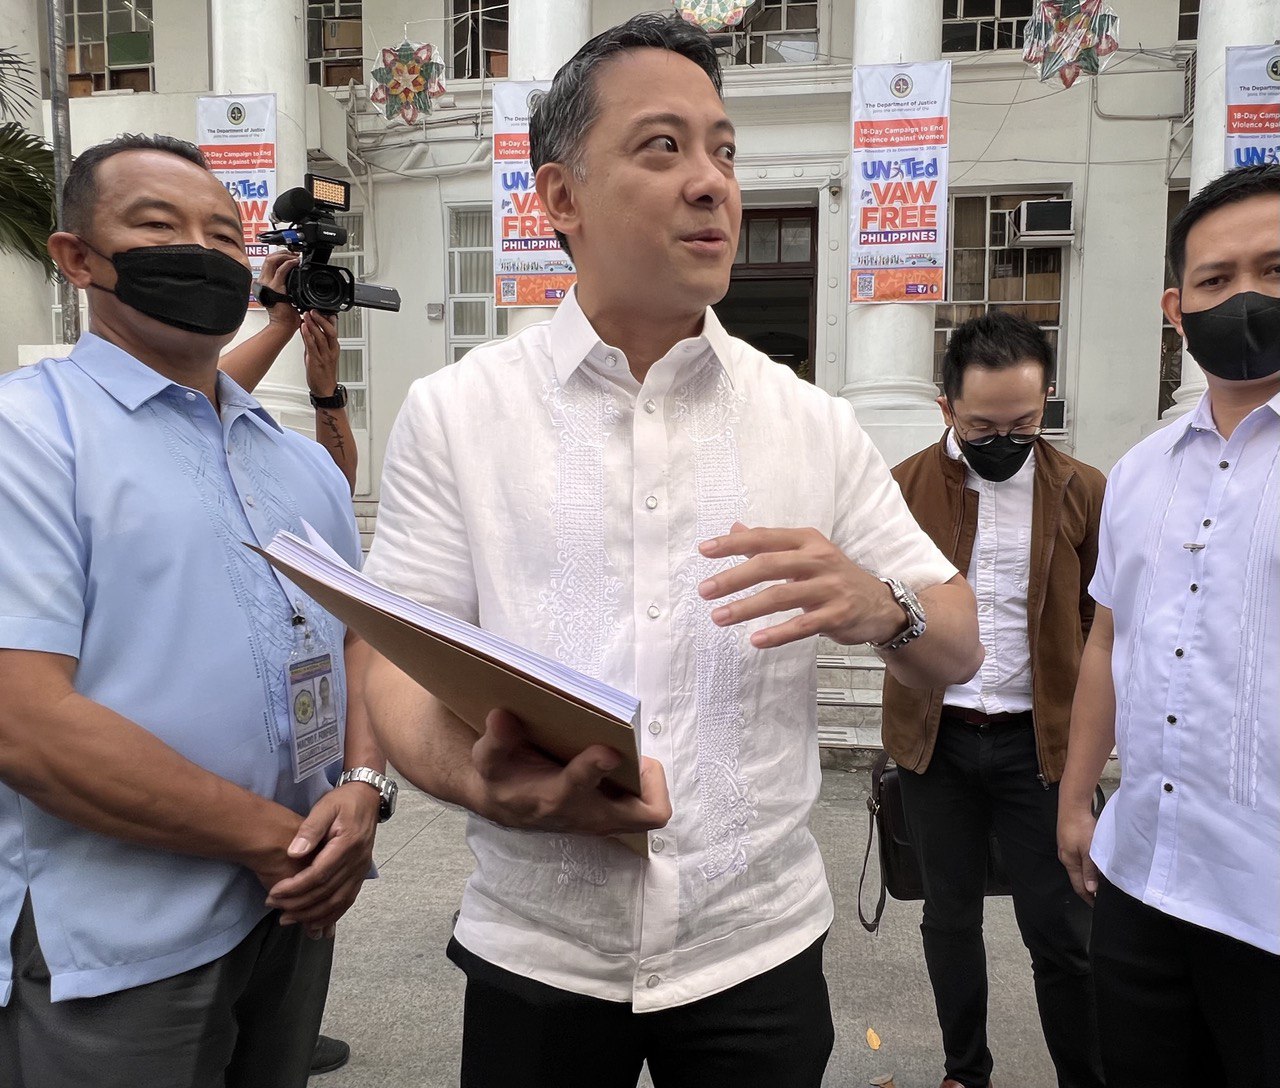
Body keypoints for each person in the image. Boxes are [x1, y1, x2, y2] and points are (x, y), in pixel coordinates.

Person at [360, 14, 982, 1088]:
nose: (711, 183)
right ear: (560, 197)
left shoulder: (811, 422)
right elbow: (396, 658)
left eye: (723, 151)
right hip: (538, 947)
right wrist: (481, 781)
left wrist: (883, 604)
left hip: (755, 949)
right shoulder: (457, 412)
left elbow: (958, 641)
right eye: (663, 146)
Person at [0, 133, 388, 1088]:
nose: (200, 251)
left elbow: (361, 639)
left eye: (222, 234)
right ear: (77, 258)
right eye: (158, 225)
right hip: (123, 941)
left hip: (293, 911)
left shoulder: (296, 463)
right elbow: (25, 723)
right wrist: (283, 841)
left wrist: (364, 787)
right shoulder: (30, 438)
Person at [1057, 162, 1280, 1086]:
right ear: (1175, 309)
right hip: (1142, 874)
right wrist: (1078, 797)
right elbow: (1110, 640)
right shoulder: (1140, 472)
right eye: (1216, 280)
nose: (1246, 298)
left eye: (1274, 270)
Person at [881, 311, 1106, 1088]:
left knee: (1063, 927)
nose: (1004, 440)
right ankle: (964, 1071)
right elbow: (878, 603)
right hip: (935, 739)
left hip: (1040, 744)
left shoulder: (1082, 489)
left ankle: (1085, 1075)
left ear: (1045, 403)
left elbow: (1101, 616)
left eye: (1025, 423)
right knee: (949, 918)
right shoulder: (901, 488)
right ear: (946, 406)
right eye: (982, 426)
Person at [220, 251, 358, 494]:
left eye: (224, 238)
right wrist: (280, 326)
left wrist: (327, 392)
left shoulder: (293, 453)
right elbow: (201, 397)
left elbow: (340, 489)